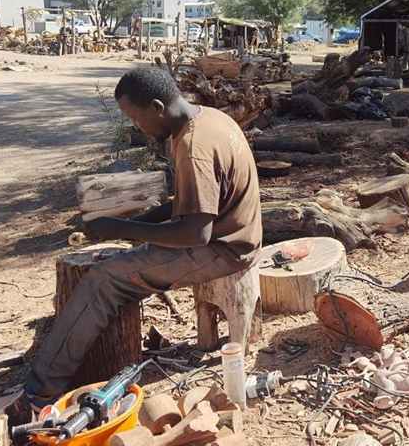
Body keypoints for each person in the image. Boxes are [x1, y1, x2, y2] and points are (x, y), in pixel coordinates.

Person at [25, 66, 263, 407]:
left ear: (156, 107)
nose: (135, 127)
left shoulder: (193, 147)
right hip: (232, 236)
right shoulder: (207, 118)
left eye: (135, 119)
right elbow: (186, 206)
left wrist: (123, 229)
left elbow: (196, 233)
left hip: (226, 249)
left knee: (104, 279)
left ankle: (39, 391)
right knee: (120, 261)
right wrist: (134, 224)